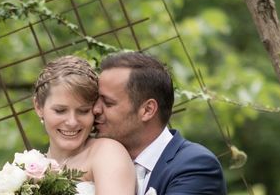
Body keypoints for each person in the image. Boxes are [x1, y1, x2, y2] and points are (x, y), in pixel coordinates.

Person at [93, 52, 227, 195]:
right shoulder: (93, 160)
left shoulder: (196, 166)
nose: (95, 109)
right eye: (96, 100)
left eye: (108, 103)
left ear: (147, 110)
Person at [33, 55, 136, 195]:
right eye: (60, 111)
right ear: (38, 107)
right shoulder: (32, 168)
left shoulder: (106, 152)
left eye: (83, 111)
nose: (72, 122)